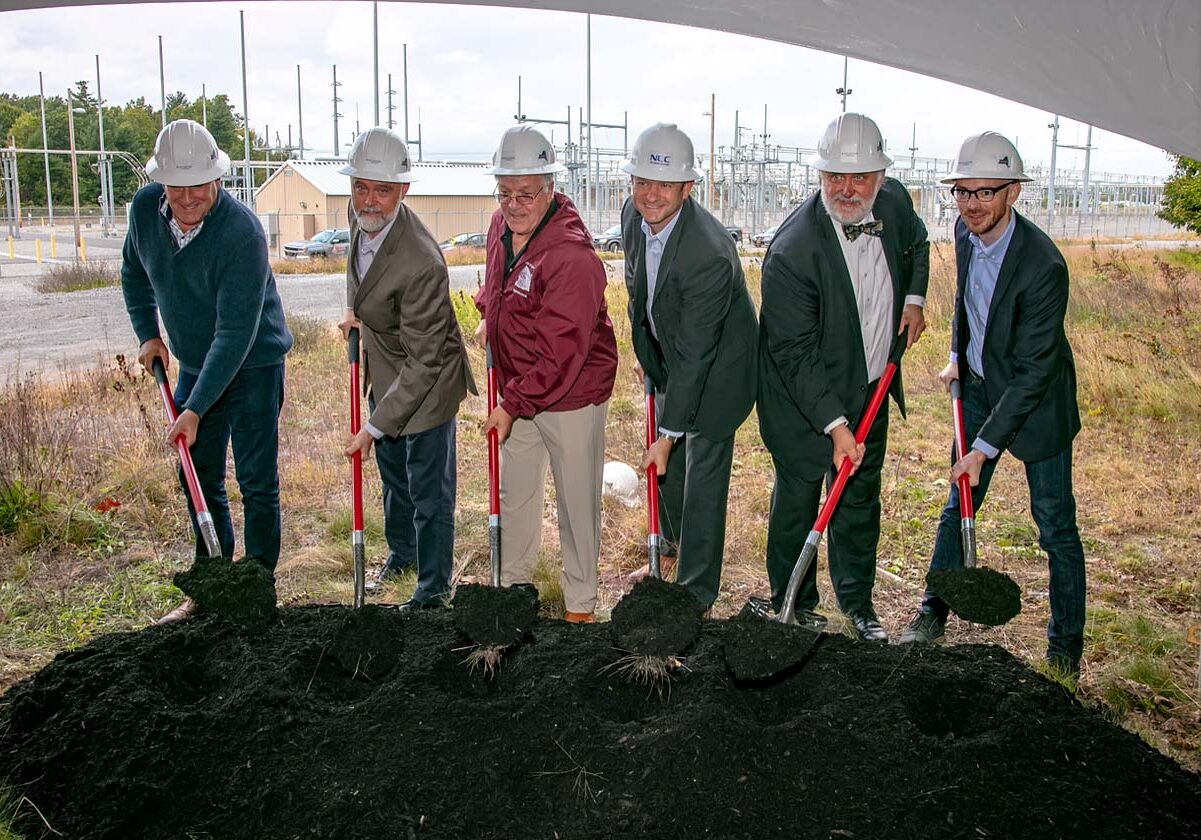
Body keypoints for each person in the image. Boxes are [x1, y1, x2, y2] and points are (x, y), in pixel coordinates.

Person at [899, 132, 1086, 674]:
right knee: (959, 504)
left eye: (985, 191)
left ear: (1013, 193)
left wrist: (982, 448)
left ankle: (1064, 652)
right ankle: (931, 612)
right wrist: (959, 353)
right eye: (962, 191)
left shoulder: (1043, 267)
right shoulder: (964, 229)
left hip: (1037, 404)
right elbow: (966, 299)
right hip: (979, 386)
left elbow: (1033, 374)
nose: (972, 203)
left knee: (1055, 527)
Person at [757, 113, 929, 641]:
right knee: (800, 497)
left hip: (870, 387)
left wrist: (915, 300)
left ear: (880, 177)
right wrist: (835, 428)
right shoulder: (791, 252)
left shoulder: (895, 203)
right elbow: (794, 352)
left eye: (858, 178)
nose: (846, 189)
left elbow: (918, 244)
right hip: (801, 400)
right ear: (820, 175)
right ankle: (795, 602)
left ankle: (858, 604)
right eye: (834, 176)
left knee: (857, 500)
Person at [120, 119, 293, 623]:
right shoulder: (144, 213)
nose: (190, 198)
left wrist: (194, 407)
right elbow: (134, 273)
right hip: (198, 361)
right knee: (196, 474)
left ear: (218, 178)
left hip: (255, 362)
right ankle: (212, 581)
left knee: (257, 480)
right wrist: (148, 334)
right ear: (160, 182)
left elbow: (235, 334)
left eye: (201, 185)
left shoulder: (241, 233)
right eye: (178, 186)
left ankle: (256, 588)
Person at [473, 125, 618, 623]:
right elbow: (498, 280)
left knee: (577, 499)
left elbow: (562, 353)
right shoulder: (499, 226)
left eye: (526, 194)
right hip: (521, 387)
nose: (514, 204)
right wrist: (486, 313)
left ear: (550, 189)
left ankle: (580, 605)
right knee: (517, 493)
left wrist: (511, 404)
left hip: (572, 393)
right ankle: (514, 589)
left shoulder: (571, 257)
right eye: (506, 192)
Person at [618, 122, 758, 610]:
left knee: (699, 474)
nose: (650, 195)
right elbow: (640, 291)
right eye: (642, 182)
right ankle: (669, 551)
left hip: (719, 369)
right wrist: (648, 357)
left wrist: (670, 432)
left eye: (663, 185)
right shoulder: (632, 217)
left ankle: (695, 593)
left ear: (687, 187)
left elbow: (699, 355)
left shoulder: (709, 253)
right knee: (669, 471)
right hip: (671, 356)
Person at [337, 128, 476, 609]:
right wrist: (355, 310)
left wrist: (373, 426)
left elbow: (425, 359)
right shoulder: (359, 218)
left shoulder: (421, 261)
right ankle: (403, 555)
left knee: (427, 486)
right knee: (393, 474)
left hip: (429, 376)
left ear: (403, 191)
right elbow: (358, 272)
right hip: (386, 361)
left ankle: (433, 587)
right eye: (361, 186)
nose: (369, 200)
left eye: (382, 190)